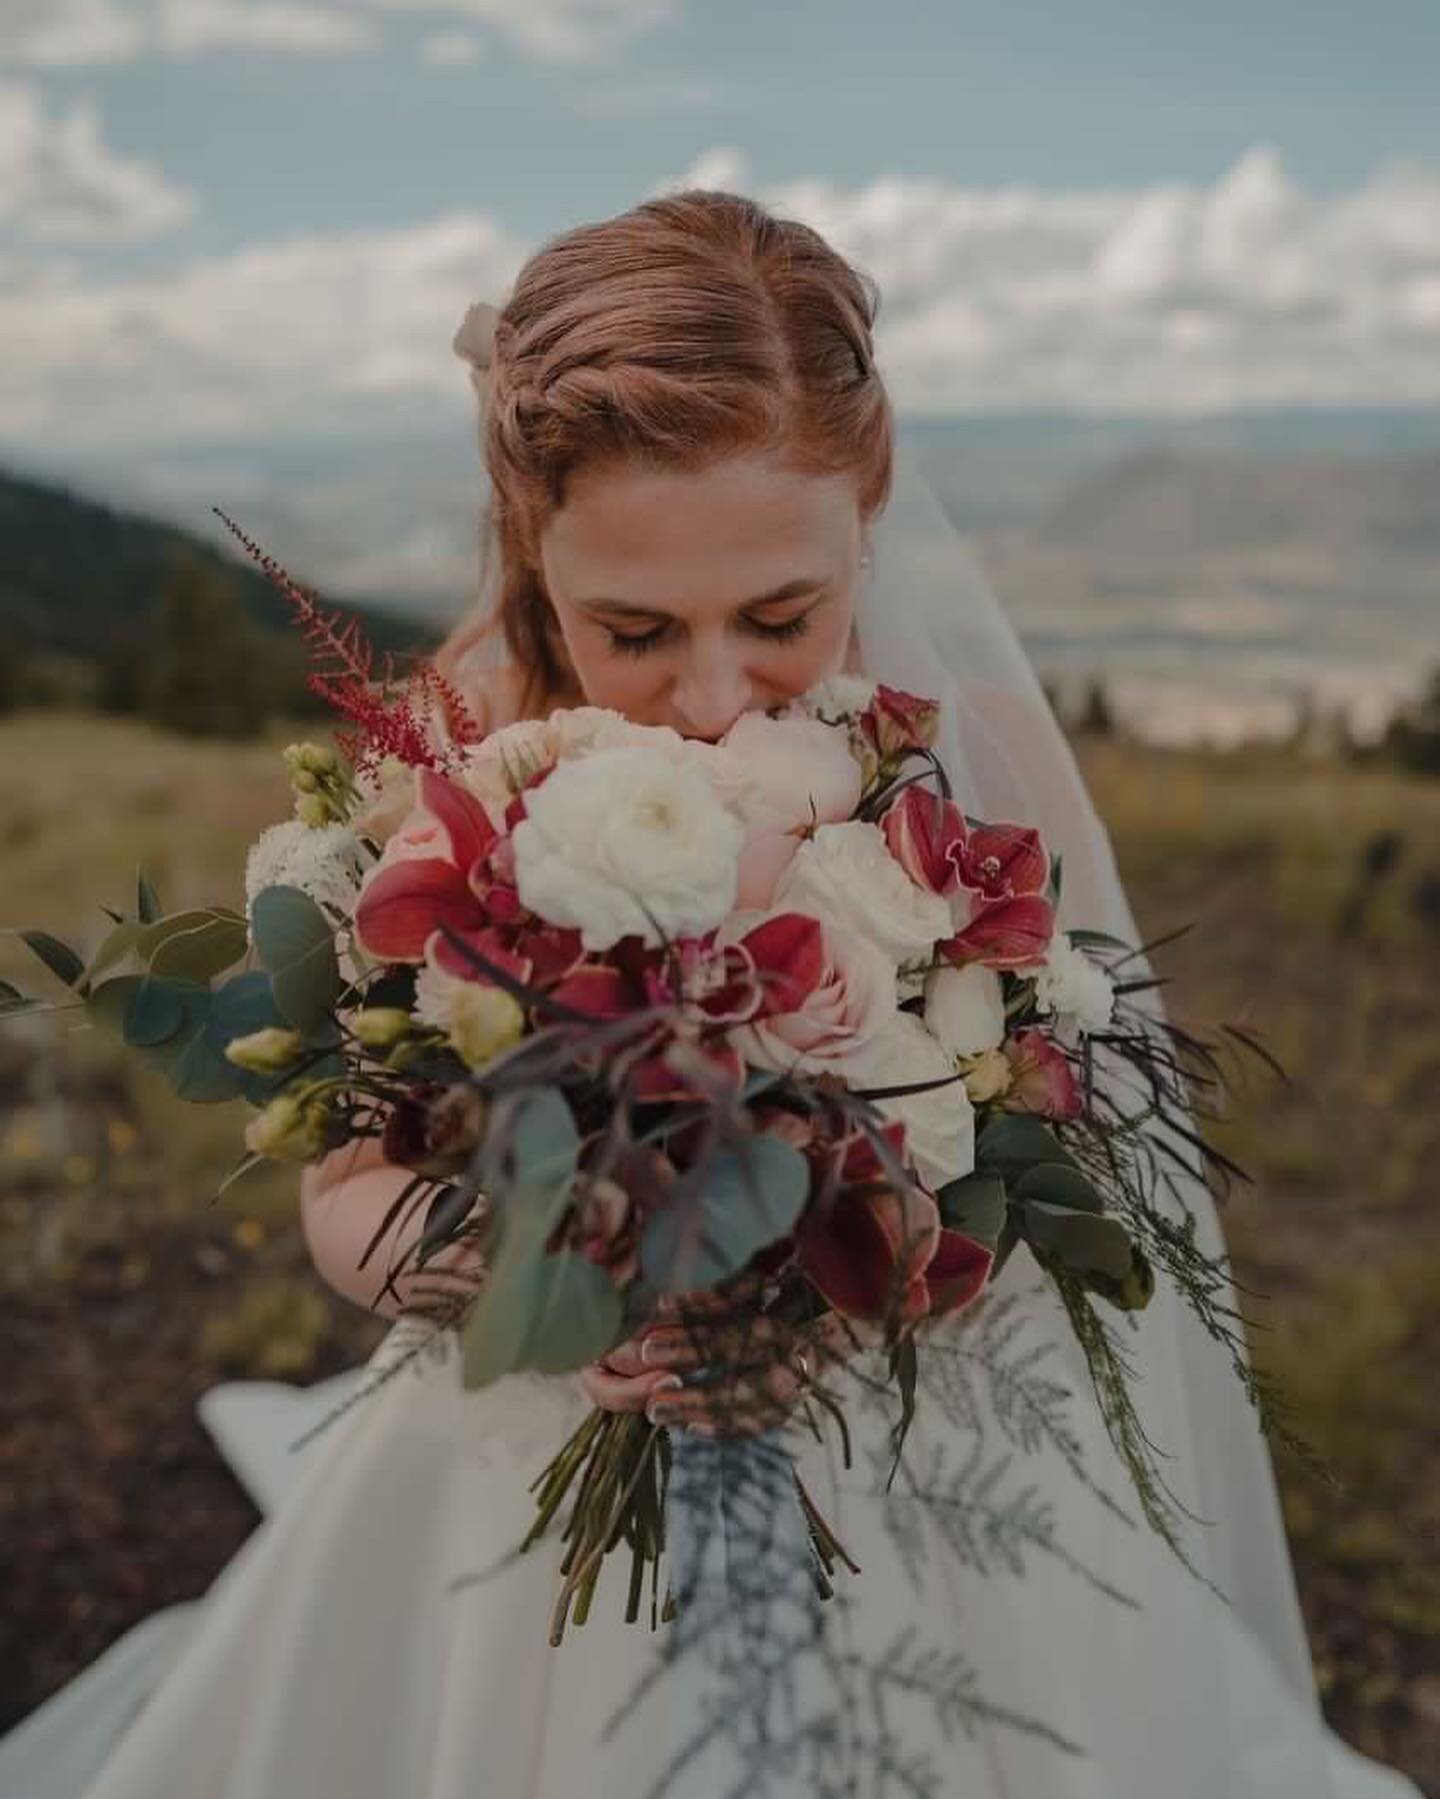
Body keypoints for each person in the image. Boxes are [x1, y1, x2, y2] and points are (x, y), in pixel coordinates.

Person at [0, 188, 1421, 1799]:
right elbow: (348, 1193)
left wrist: (874, 1254)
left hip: (923, 1452)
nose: (718, 693)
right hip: (534, 1440)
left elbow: (1074, 1117)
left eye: (781, 615)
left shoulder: (965, 772)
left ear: (867, 515)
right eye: (634, 628)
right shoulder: (455, 765)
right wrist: (524, 1275)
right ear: (535, 549)